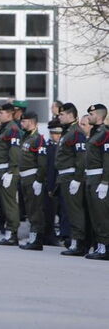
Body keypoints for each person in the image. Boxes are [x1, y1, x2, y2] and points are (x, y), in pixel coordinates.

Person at [56, 103, 89, 256]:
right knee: (70, 210)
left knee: (75, 211)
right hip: (65, 176)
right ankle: (75, 241)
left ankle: (78, 243)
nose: (59, 117)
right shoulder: (68, 131)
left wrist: (77, 178)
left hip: (72, 176)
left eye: (62, 114)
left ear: (70, 115)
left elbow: (81, 157)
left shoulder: (76, 133)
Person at [0, 103, 23, 246]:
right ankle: (10, 232)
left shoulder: (12, 129)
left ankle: (12, 233)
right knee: (5, 203)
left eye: (2, 113)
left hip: (8, 171)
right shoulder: (6, 129)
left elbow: (15, 151)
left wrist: (11, 171)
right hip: (2, 170)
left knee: (10, 203)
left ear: (9, 114)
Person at [17, 111, 48, 250]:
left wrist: (39, 180)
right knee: (30, 209)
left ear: (30, 122)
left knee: (35, 210)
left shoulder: (38, 139)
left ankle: (37, 240)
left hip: (32, 177)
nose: (21, 123)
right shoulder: (26, 137)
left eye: (23, 121)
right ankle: (32, 237)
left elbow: (42, 162)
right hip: (24, 177)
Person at [83, 105, 108, 260]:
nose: (88, 116)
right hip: (91, 178)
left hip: (100, 178)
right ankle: (100, 246)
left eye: (91, 114)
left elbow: (107, 159)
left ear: (99, 116)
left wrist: (105, 181)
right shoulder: (95, 133)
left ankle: (105, 248)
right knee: (94, 214)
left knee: (102, 215)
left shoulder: (105, 134)